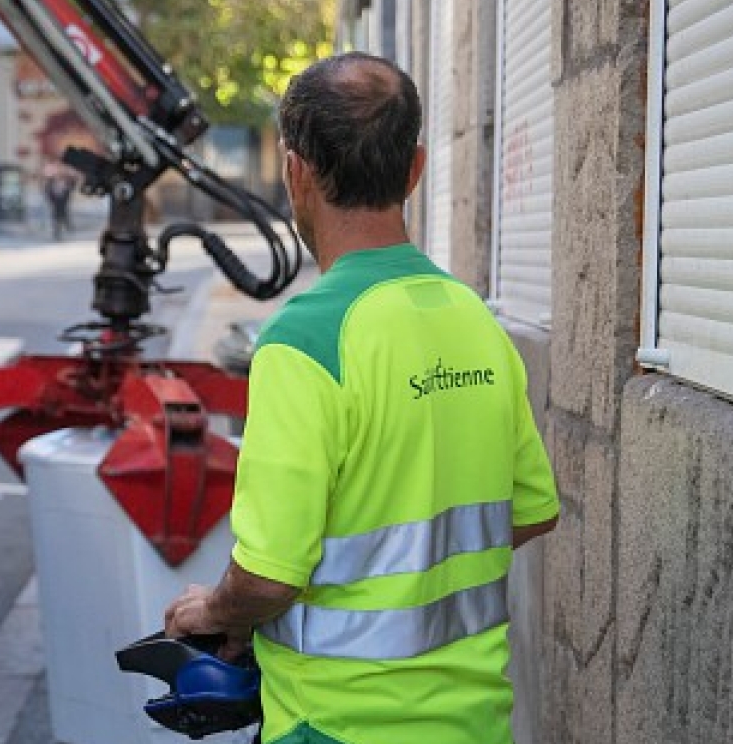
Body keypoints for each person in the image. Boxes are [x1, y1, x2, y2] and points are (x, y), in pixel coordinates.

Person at [163, 52, 560, 744]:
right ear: (415, 169)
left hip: (335, 724)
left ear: (296, 173)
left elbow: (266, 575)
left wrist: (213, 611)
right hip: (474, 723)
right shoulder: (474, 320)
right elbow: (530, 512)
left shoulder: (305, 340)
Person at [44, 167, 75, 239]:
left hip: (63, 202)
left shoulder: (66, 183)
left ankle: (66, 227)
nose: (59, 176)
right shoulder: (51, 183)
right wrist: (52, 200)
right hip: (55, 203)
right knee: (57, 217)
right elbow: (48, 192)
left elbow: (70, 188)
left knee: (63, 215)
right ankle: (58, 232)